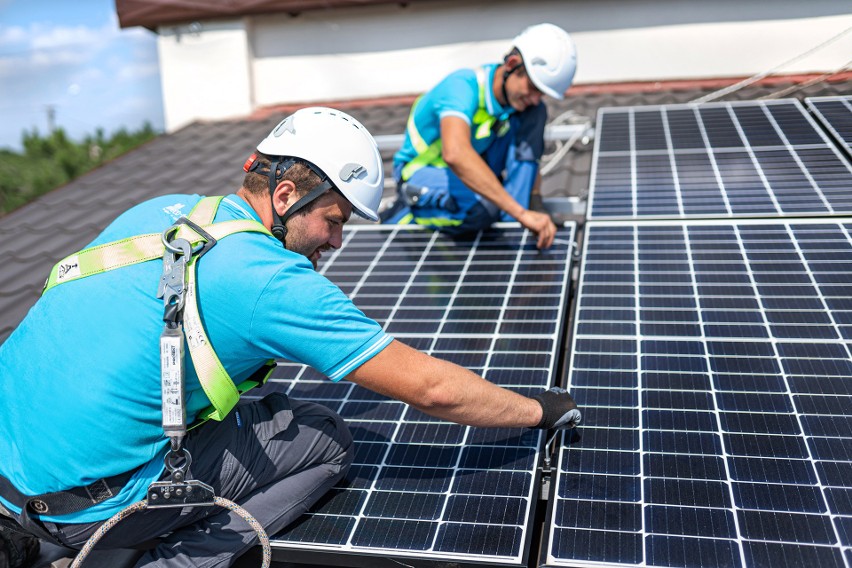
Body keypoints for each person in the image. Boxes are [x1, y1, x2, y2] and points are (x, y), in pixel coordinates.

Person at [0, 107, 580, 568]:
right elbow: (431, 389)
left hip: (10, 476)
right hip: (78, 509)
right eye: (334, 219)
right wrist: (537, 410)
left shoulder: (165, 209)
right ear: (284, 197)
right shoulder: (268, 282)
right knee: (324, 436)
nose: (336, 242)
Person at [380, 23, 578, 250]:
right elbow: (455, 154)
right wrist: (521, 212)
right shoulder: (461, 86)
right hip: (421, 173)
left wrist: (535, 203)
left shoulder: (521, 105)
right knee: (486, 206)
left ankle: (510, 227)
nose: (535, 97)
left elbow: (527, 158)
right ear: (512, 65)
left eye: (541, 93)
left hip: (466, 175)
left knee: (535, 113)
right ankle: (413, 208)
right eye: (533, 88)